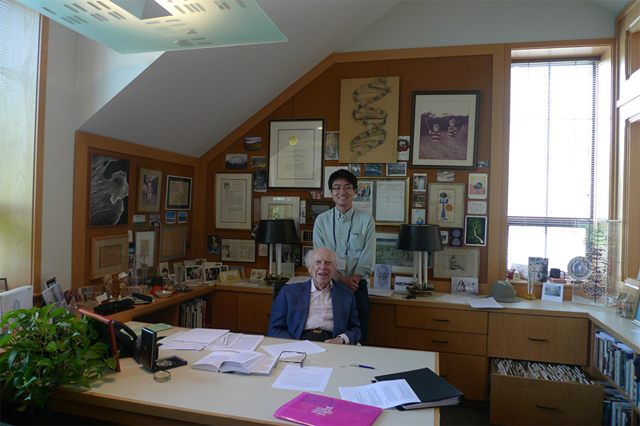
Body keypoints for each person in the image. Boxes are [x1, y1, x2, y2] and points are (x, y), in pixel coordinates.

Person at [313, 169, 375, 344]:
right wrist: (340, 279)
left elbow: (368, 254)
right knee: (331, 335)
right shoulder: (321, 221)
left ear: (354, 191)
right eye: (337, 187)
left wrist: (353, 280)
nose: (342, 192)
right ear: (331, 192)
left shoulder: (366, 220)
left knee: (359, 336)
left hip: (357, 287)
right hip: (328, 285)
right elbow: (319, 257)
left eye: (348, 187)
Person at [267, 247, 361, 344]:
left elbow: (355, 329)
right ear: (309, 268)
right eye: (317, 262)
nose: (323, 267)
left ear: (334, 269)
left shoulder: (346, 295)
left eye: (328, 262)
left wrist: (341, 339)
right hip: (298, 341)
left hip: (333, 343)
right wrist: (294, 344)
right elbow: (275, 328)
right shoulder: (288, 293)